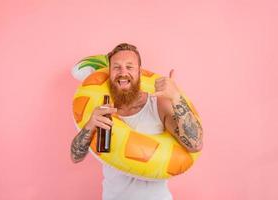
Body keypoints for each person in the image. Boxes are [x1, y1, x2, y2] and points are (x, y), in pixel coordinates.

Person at [70, 43, 203, 200]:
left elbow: (196, 145)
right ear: (109, 72)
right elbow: (76, 157)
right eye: (117, 67)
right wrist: (89, 126)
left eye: (129, 67)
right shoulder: (102, 109)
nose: (123, 73)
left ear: (140, 72)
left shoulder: (157, 104)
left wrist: (176, 97)